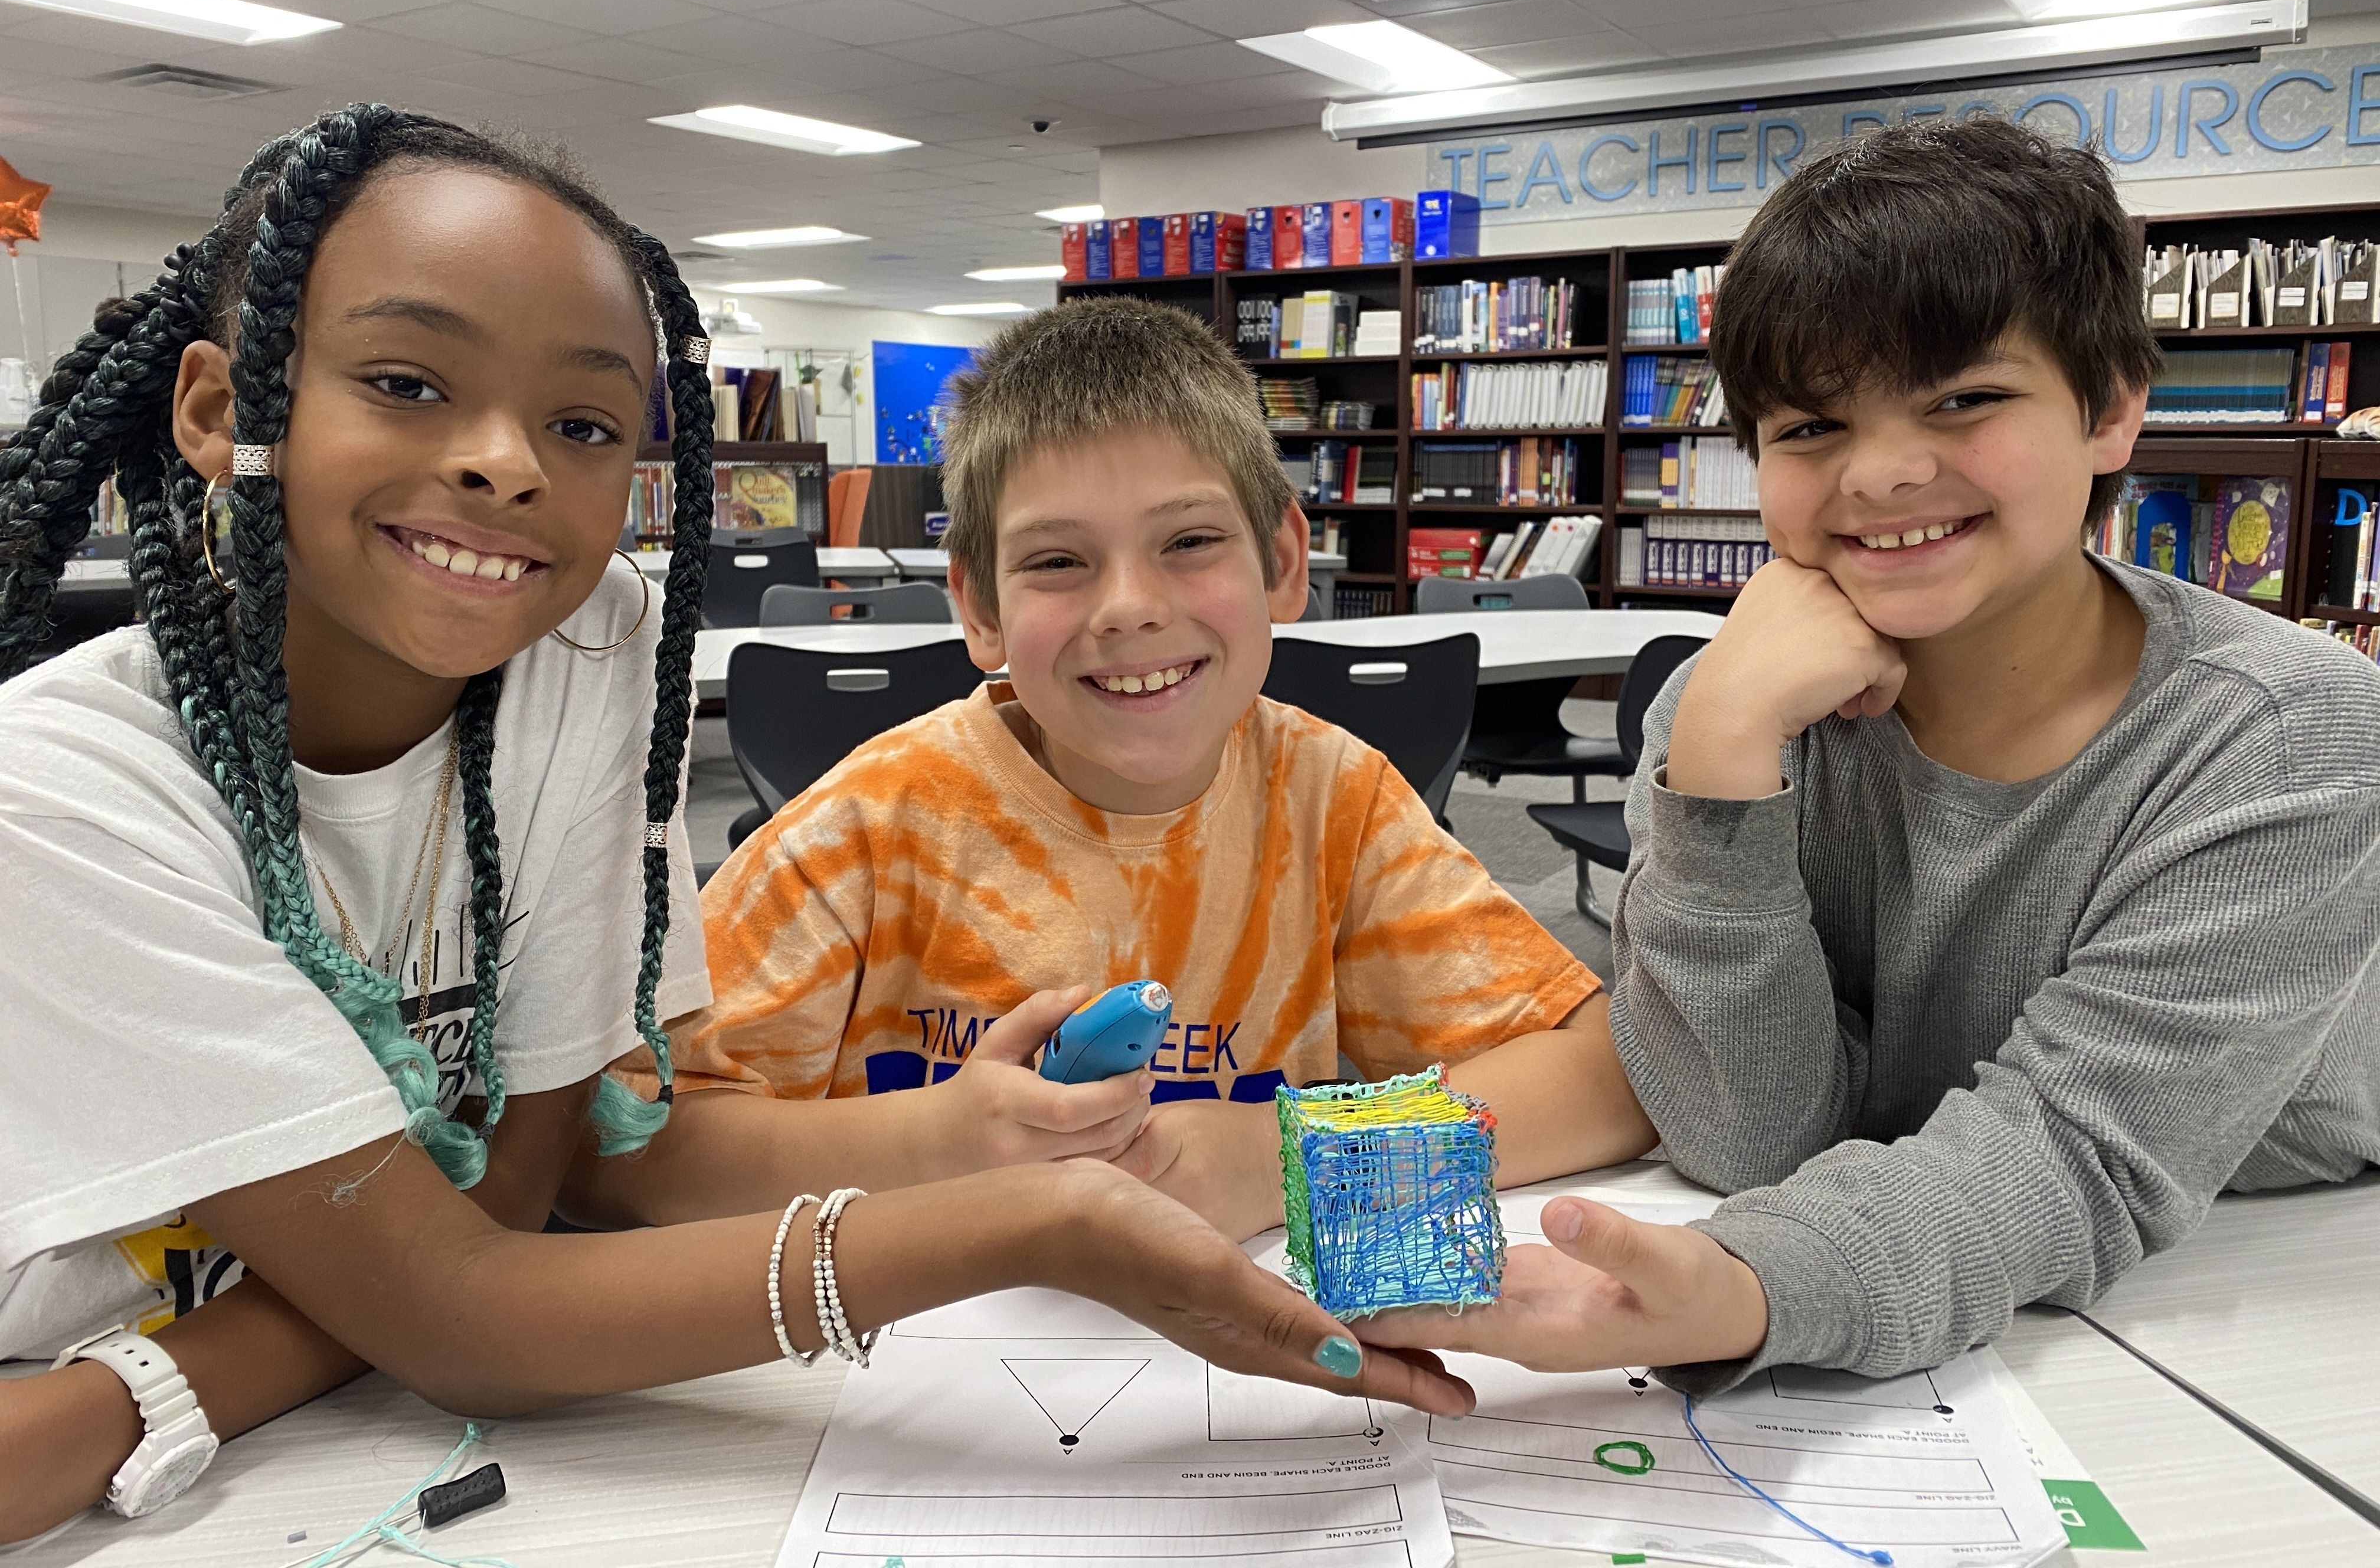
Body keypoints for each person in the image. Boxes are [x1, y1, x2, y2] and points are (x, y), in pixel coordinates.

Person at [0, 107, 1468, 1547]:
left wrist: (165, 1388)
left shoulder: (583, 650)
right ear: (218, 411)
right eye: (405, 379)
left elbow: (504, 1216)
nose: (505, 461)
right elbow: (467, 1304)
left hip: (291, 1429)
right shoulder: (66, 789)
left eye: (581, 422)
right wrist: (1030, 1221)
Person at [1355, 117, 2380, 1391]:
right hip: (1922, 1234)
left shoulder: (2286, 729)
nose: (1885, 474)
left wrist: (1752, 1288)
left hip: (2263, 1257)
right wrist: (1724, 752)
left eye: (1965, 399)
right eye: (1809, 428)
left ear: (2113, 409)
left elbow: (2080, 1152)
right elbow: (1745, 1133)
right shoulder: (1731, 713)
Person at [638, 295, 1657, 1247]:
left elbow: (1607, 1081)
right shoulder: (874, 823)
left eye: (1190, 541)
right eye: (1057, 561)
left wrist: (1284, 1160)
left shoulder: (1331, 801)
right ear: (980, 608)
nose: (1128, 606)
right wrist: (933, 1146)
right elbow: (624, 1153)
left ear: (1284, 565)